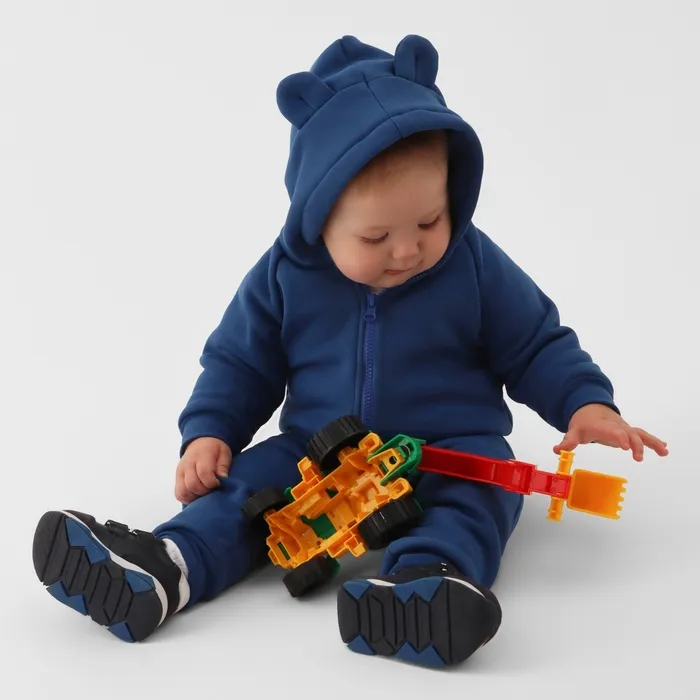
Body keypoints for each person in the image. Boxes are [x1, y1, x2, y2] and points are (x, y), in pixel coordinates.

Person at [32, 34, 668, 668]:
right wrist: (210, 431)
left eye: (429, 222)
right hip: (317, 450)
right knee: (247, 488)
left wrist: (585, 402)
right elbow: (240, 361)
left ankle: (426, 585)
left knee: (481, 499)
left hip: (450, 450)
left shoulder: (473, 264)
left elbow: (535, 343)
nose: (407, 250)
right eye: (375, 235)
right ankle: (166, 568)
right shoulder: (286, 276)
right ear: (318, 220)